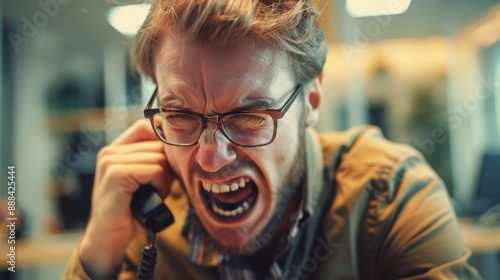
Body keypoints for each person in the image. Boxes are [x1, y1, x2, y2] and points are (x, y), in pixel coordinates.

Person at [63, 0, 482, 279]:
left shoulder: (390, 196)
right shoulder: (146, 224)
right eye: (180, 115)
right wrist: (97, 251)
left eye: (249, 114)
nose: (210, 158)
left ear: (312, 101)